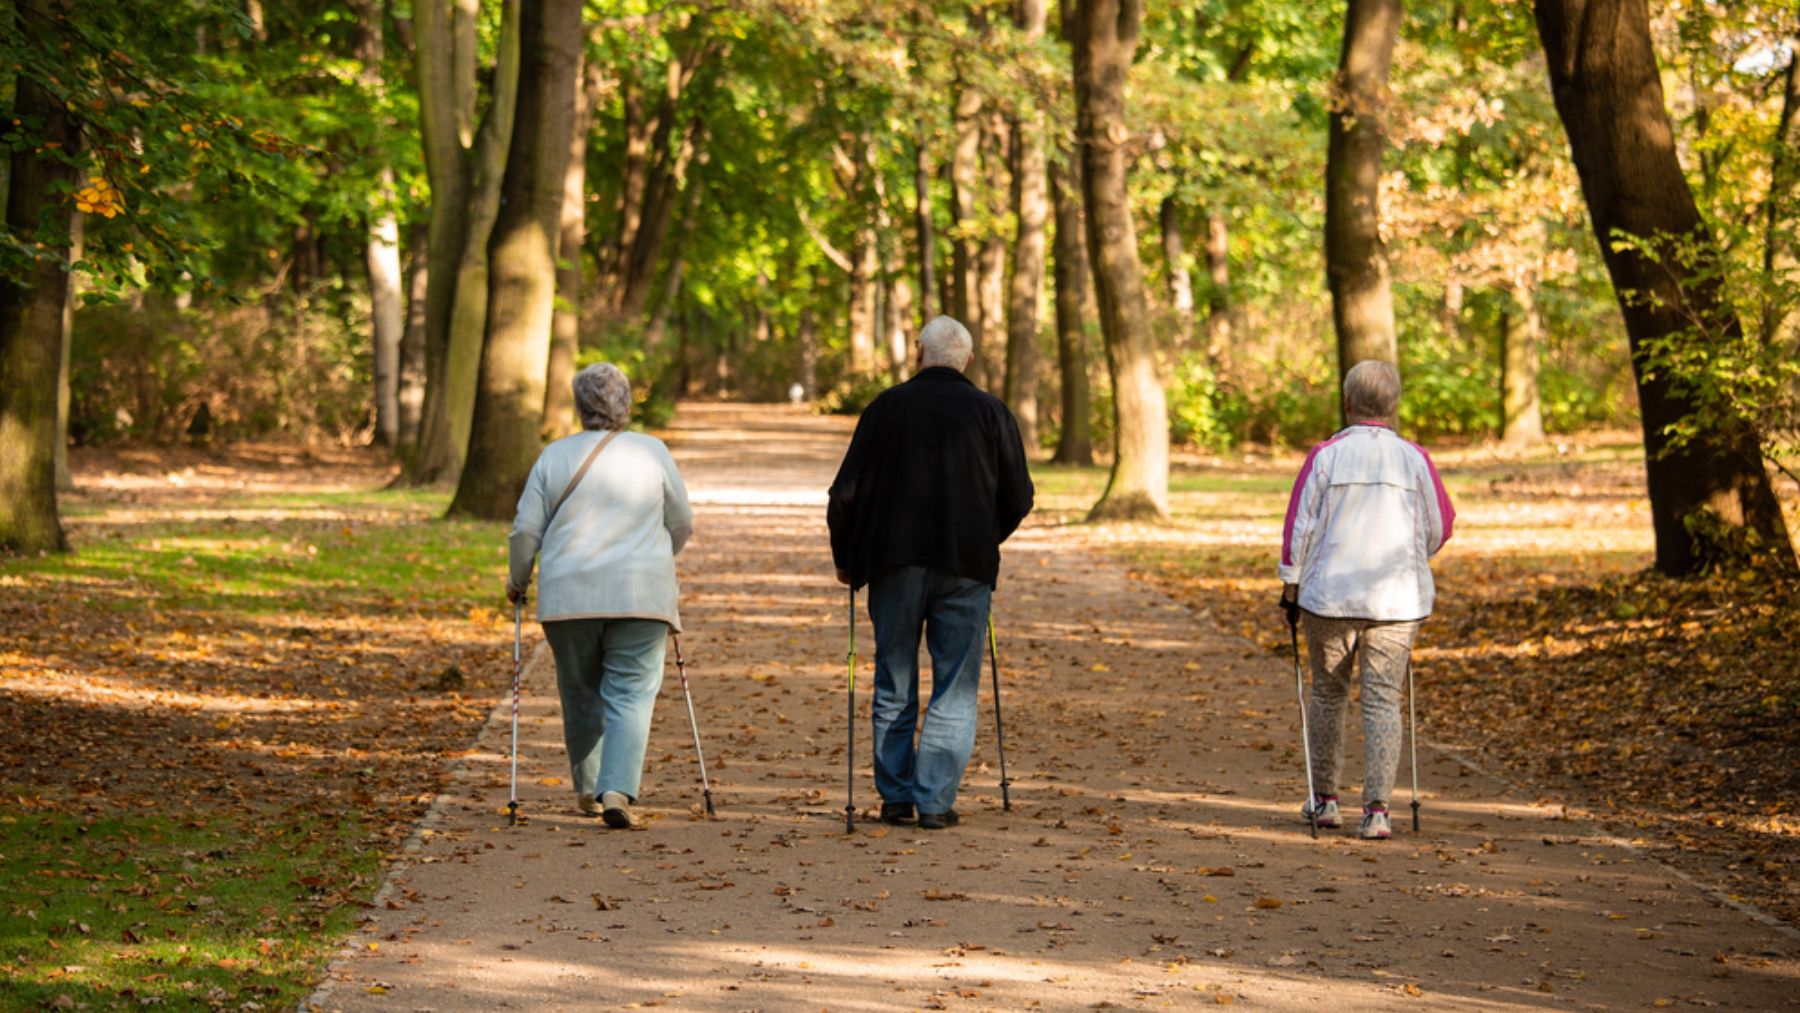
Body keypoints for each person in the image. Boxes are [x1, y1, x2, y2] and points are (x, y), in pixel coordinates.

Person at [827, 316, 1035, 831]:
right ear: (968, 358)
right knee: (955, 686)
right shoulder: (992, 412)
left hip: (893, 564)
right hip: (966, 565)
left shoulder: (884, 409)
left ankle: (896, 797)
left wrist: (846, 559)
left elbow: (843, 496)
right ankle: (935, 802)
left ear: (918, 352)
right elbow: (1020, 496)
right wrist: (987, 538)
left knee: (894, 680)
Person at [508, 363, 693, 829]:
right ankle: (617, 789)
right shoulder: (652, 452)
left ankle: (589, 789)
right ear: (626, 404)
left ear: (578, 406)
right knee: (631, 693)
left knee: (580, 693)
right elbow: (682, 521)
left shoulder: (554, 456)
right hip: (641, 594)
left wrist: (518, 578)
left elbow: (526, 529)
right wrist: (657, 556)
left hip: (569, 596)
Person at [1278, 359, 1454, 840]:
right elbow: (1439, 526)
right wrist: (1417, 554)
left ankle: (1325, 800)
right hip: (1397, 601)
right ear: (1394, 406)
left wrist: (1290, 583)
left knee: (1327, 693)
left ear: (1348, 403)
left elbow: (1300, 525)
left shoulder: (1326, 456)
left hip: (1329, 598)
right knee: (1382, 701)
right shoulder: (1415, 459)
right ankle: (1377, 811)